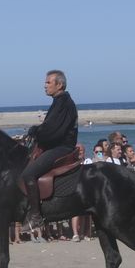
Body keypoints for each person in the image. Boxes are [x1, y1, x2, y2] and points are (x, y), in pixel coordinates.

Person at [21, 70, 79, 221]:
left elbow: (52, 131)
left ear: (59, 85)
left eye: (48, 82)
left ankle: (35, 215)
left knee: (28, 174)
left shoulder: (64, 103)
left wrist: (36, 131)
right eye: (45, 82)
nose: (44, 85)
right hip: (57, 146)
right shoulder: (59, 101)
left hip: (61, 148)